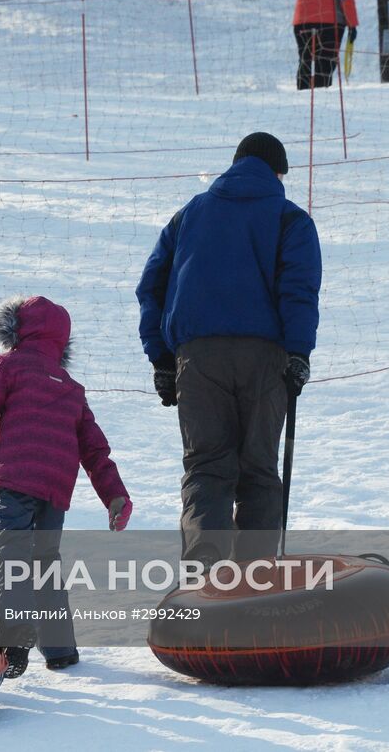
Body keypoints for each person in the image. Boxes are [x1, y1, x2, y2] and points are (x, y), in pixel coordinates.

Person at [135, 133, 321, 567]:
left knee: (207, 468)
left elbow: (152, 287)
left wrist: (161, 358)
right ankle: (255, 582)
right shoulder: (290, 219)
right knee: (258, 470)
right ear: (278, 172)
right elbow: (299, 289)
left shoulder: (188, 215)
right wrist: (298, 353)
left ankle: (205, 578)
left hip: (197, 359)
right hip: (266, 358)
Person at [0, 295, 132, 678]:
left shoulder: (9, 366)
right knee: (45, 564)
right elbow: (95, 449)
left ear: (14, 331)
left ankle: (14, 640)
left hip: (17, 478)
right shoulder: (72, 388)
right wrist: (115, 496)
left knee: (11, 559)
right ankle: (60, 650)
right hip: (56, 489)